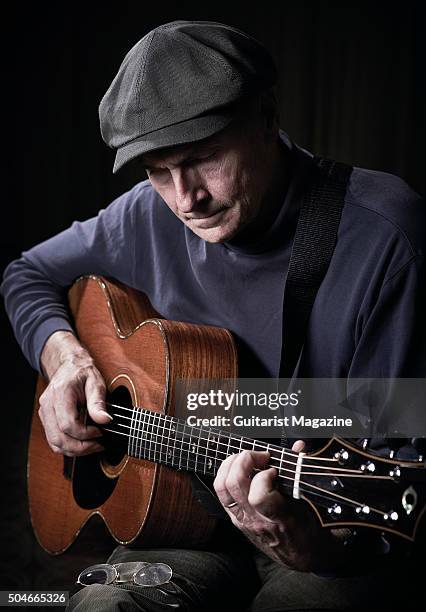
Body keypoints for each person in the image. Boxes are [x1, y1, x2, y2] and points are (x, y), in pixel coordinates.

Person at [1, 19, 425, 612]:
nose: (185, 198)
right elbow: (26, 275)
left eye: (204, 158)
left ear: (268, 119)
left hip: (331, 531)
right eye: (157, 171)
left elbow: (404, 466)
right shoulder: (147, 214)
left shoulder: (387, 236)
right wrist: (64, 358)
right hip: (180, 521)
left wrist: (319, 550)